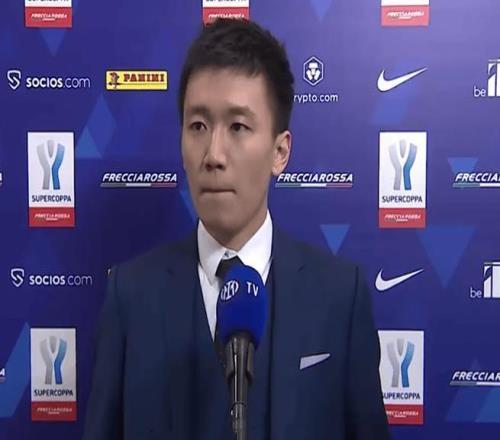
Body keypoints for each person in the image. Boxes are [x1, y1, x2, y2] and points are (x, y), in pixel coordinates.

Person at [83, 18, 390, 440]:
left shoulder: (341, 296)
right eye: (198, 126)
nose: (213, 154)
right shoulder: (130, 296)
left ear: (280, 151)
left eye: (238, 127)